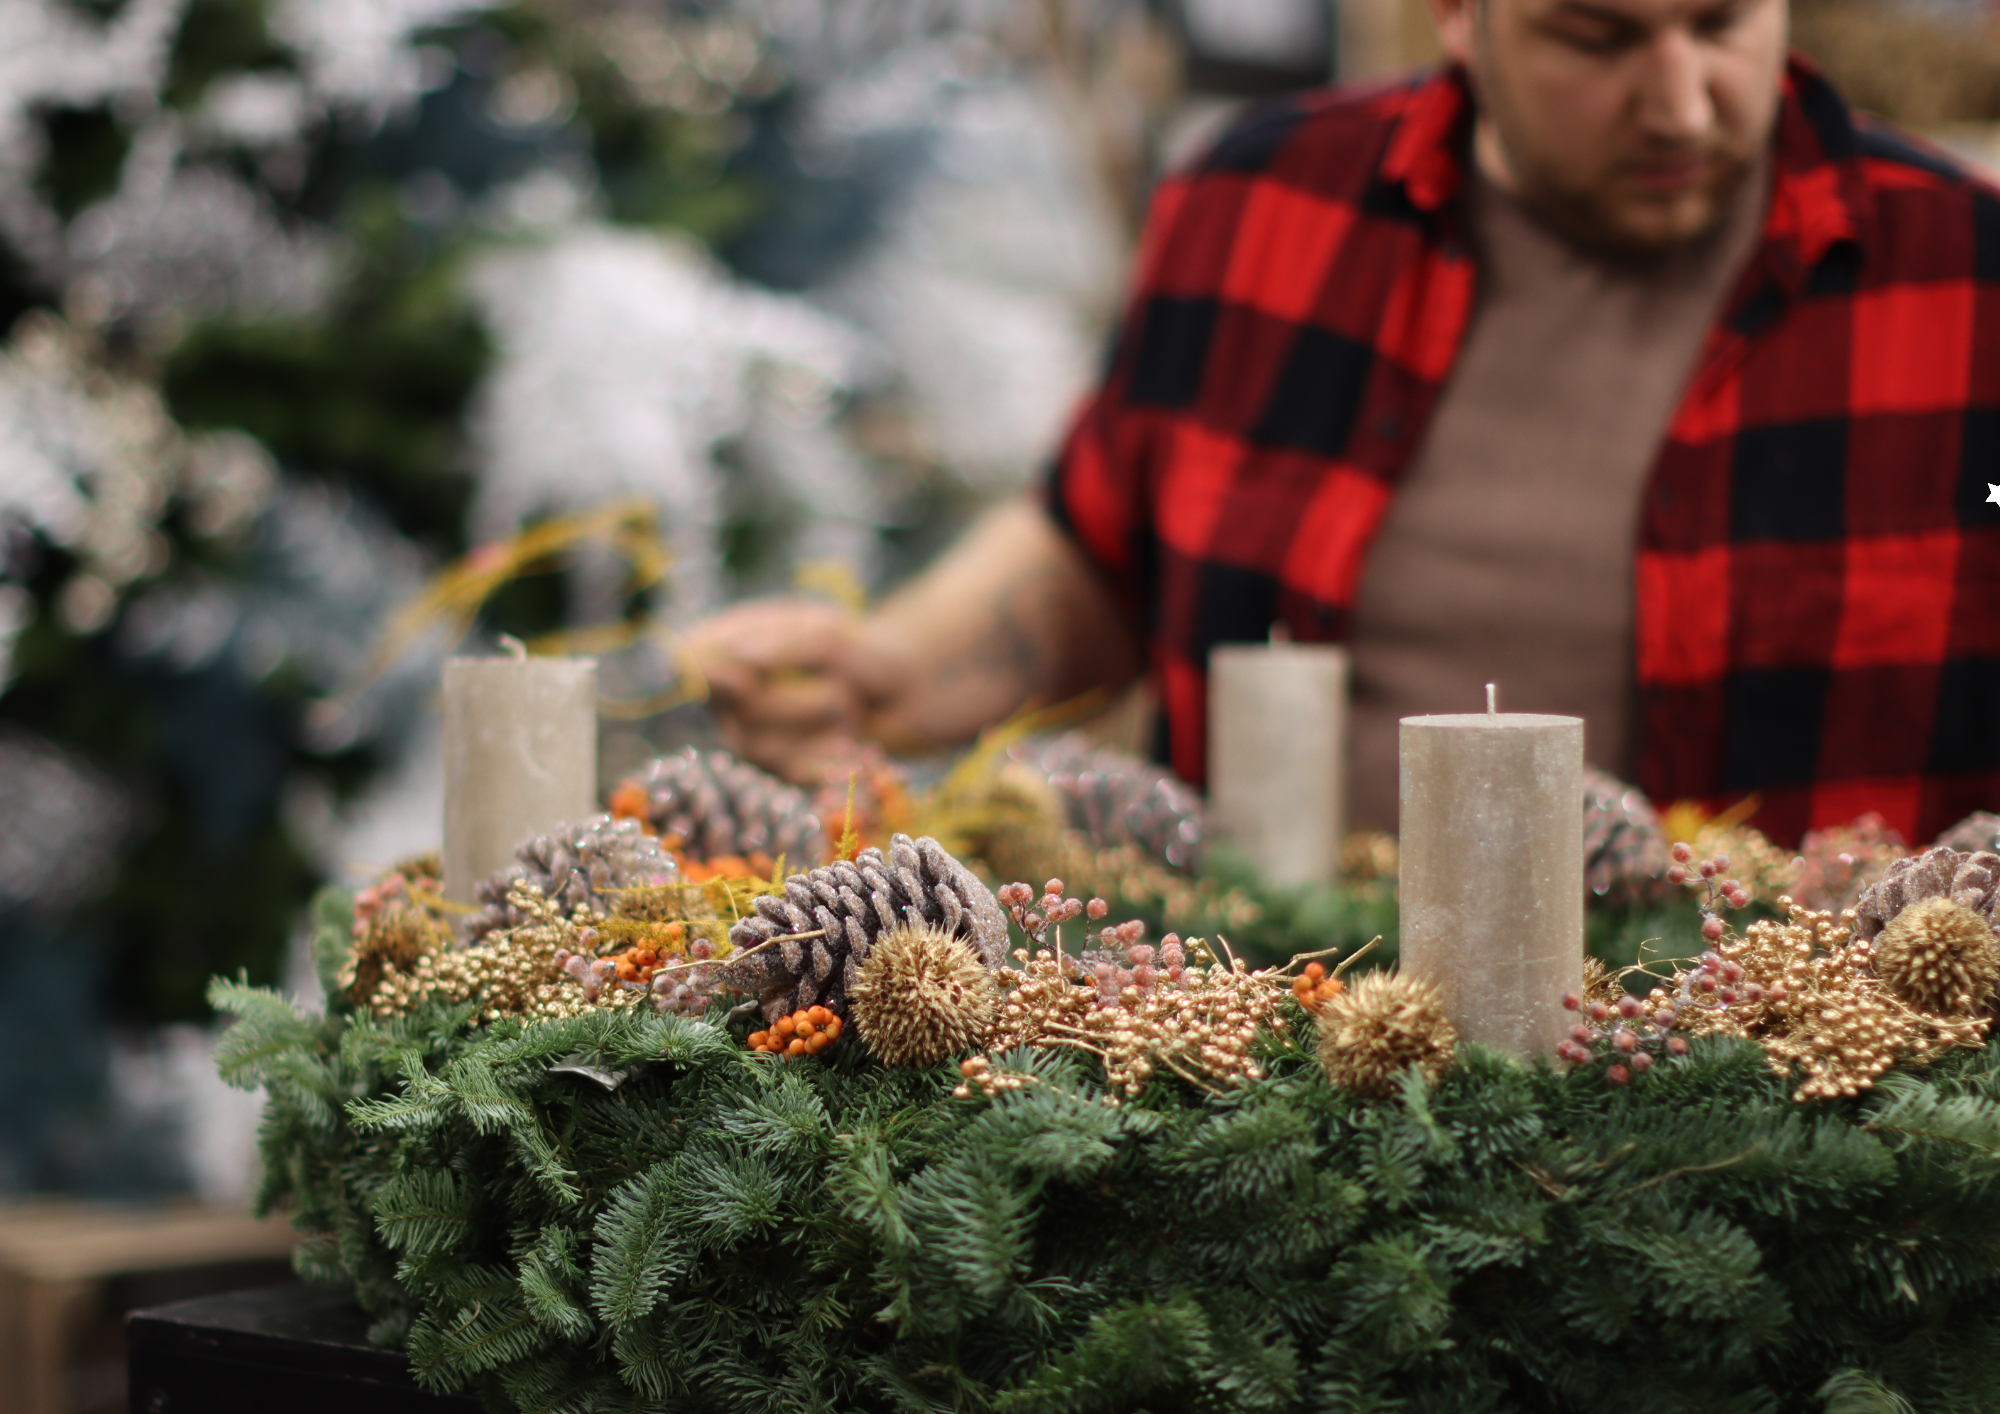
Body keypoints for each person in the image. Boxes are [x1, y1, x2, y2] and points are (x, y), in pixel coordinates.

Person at [685, 0, 2000, 847]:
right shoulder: (1262, 205)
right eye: (1598, 40)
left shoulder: (1963, 273)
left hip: (1790, 1136)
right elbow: (1103, 542)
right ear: (1459, 17)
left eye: (1722, 24)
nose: (1682, 103)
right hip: (1288, 1098)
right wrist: (901, 669)